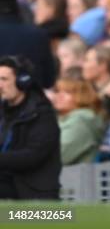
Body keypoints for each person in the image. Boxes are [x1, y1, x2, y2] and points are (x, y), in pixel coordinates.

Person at [0, 56, 61, 199]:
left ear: (22, 81)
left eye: (4, 79)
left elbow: (31, 157)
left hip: (33, 199)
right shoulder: (3, 111)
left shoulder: (42, 114)